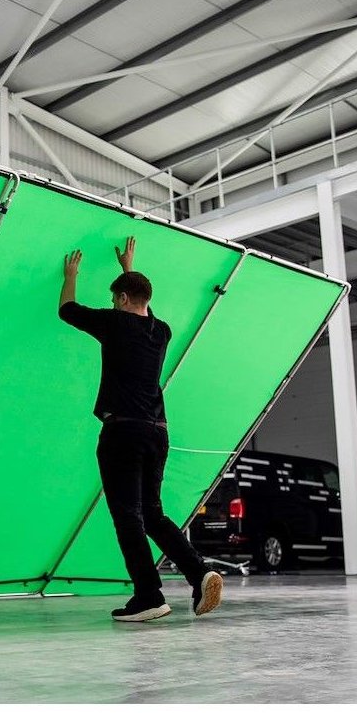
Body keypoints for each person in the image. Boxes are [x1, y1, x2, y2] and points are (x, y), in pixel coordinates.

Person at [58, 236, 223, 623]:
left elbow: (67, 310)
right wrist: (128, 270)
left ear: (121, 299)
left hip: (123, 433)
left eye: (116, 298)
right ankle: (200, 573)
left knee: (128, 516)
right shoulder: (160, 330)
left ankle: (149, 595)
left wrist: (71, 274)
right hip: (156, 433)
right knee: (152, 513)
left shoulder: (115, 323)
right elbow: (140, 303)